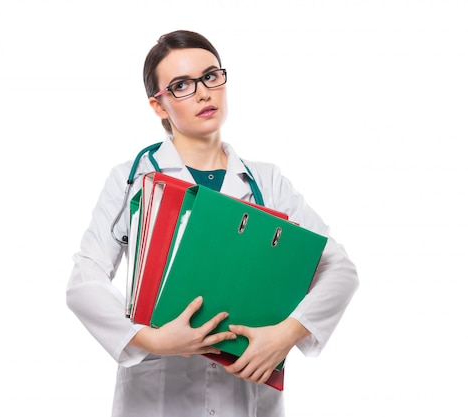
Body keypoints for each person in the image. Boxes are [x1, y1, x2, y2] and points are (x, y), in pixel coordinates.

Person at [66, 29, 359, 417]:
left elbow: (339, 268)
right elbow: (85, 278)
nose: (203, 92)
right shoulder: (132, 178)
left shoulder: (266, 181)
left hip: (246, 395)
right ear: (159, 105)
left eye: (210, 76)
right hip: (157, 398)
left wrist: (286, 333)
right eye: (181, 85)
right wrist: (152, 340)